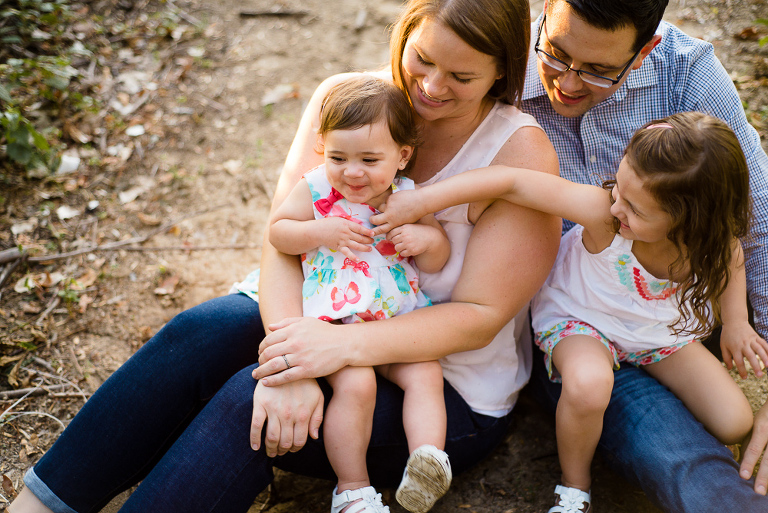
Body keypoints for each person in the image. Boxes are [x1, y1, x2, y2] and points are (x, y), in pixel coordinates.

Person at [8, 0, 560, 512]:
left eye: (462, 77)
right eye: (422, 59)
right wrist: (291, 358)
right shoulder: (347, 102)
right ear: (404, 36)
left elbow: (480, 318)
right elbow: (282, 242)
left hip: (440, 385)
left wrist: (331, 349)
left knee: (242, 403)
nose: (431, 87)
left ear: (502, 73)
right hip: (330, 305)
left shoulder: (519, 153)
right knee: (202, 332)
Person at [372, 111, 768, 512]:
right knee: (589, 385)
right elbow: (513, 181)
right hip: (580, 321)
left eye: (636, 208)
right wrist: (423, 199)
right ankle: (575, 487)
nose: (618, 206)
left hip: (654, 335)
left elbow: (731, 260)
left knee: (734, 421)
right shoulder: (604, 216)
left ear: (691, 222)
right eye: (620, 190)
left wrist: (735, 322)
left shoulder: (712, 244)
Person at [517, 0, 768, 511]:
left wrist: (744, 324)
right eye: (556, 54)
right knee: (670, 448)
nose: (567, 83)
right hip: (568, 325)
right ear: (545, 10)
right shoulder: (493, 53)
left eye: (601, 71)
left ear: (644, 51)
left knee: (735, 419)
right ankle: (577, 487)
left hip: (659, 322)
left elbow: (752, 226)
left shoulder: (686, 71)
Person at [268, 75, 452, 513]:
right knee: (357, 384)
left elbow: (438, 255)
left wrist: (424, 242)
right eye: (338, 157)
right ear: (323, 150)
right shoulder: (316, 190)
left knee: (426, 374)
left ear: (402, 156)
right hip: (332, 325)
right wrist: (317, 230)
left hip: (392, 326)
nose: (352, 172)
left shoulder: (407, 198)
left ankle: (427, 459)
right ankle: (352, 489)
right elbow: (278, 232)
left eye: (370, 159)